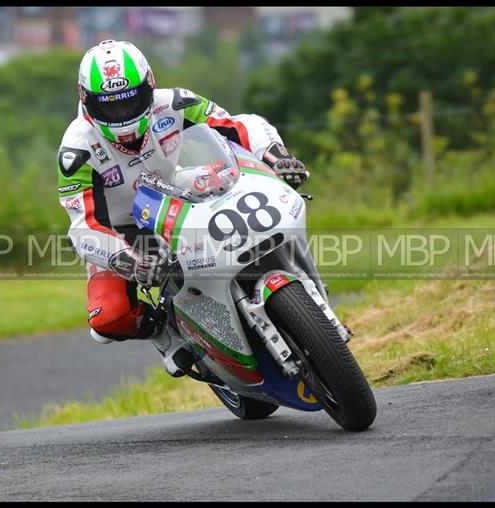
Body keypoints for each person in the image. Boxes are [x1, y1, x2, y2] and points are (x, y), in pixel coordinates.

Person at [56, 40, 308, 377]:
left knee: (243, 188)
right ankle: (163, 330)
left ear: (150, 85)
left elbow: (238, 125)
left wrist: (277, 156)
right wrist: (123, 258)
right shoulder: (76, 151)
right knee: (108, 319)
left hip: (176, 190)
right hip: (120, 231)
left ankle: (297, 281)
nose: (123, 116)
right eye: (109, 107)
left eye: (132, 101)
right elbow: (82, 227)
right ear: (85, 98)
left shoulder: (176, 103)